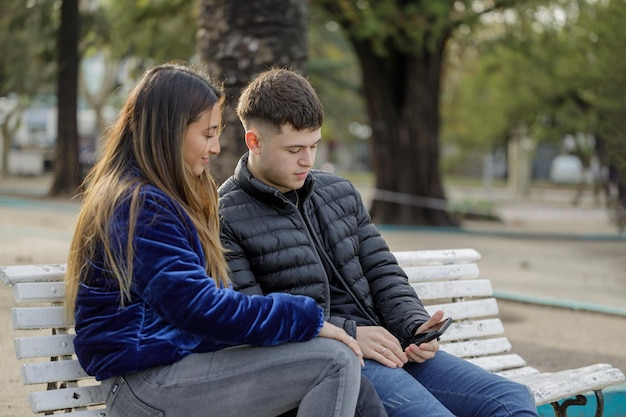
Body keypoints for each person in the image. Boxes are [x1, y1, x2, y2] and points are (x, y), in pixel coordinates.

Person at [218, 67, 540, 417]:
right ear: (255, 142)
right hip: (329, 359)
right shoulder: (223, 215)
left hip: (391, 346)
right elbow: (252, 314)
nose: (307, 160)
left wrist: (413, 326)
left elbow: (381, 269)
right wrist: (352, 333)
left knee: (511, 400)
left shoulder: (338, 192)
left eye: (314, 145)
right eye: (294, 149)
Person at [65, 62, 371, 417]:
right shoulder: (139, 205)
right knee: (333, 362)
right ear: (170, 130)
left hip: (177, 367)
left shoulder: (165, 194)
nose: (215, 147)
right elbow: (200, 308)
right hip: (147, 384)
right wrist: (307, 318)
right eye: (207, 134)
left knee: (336, 363)